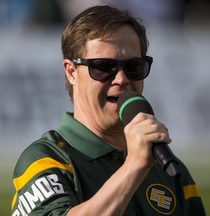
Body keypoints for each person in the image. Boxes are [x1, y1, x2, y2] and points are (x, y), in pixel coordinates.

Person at [10, 5, 206, 216]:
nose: (121, 79)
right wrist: (134, 166)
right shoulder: (46, 158)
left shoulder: (167, 166)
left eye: (133, 66)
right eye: (103, 67)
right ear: (71, 72)